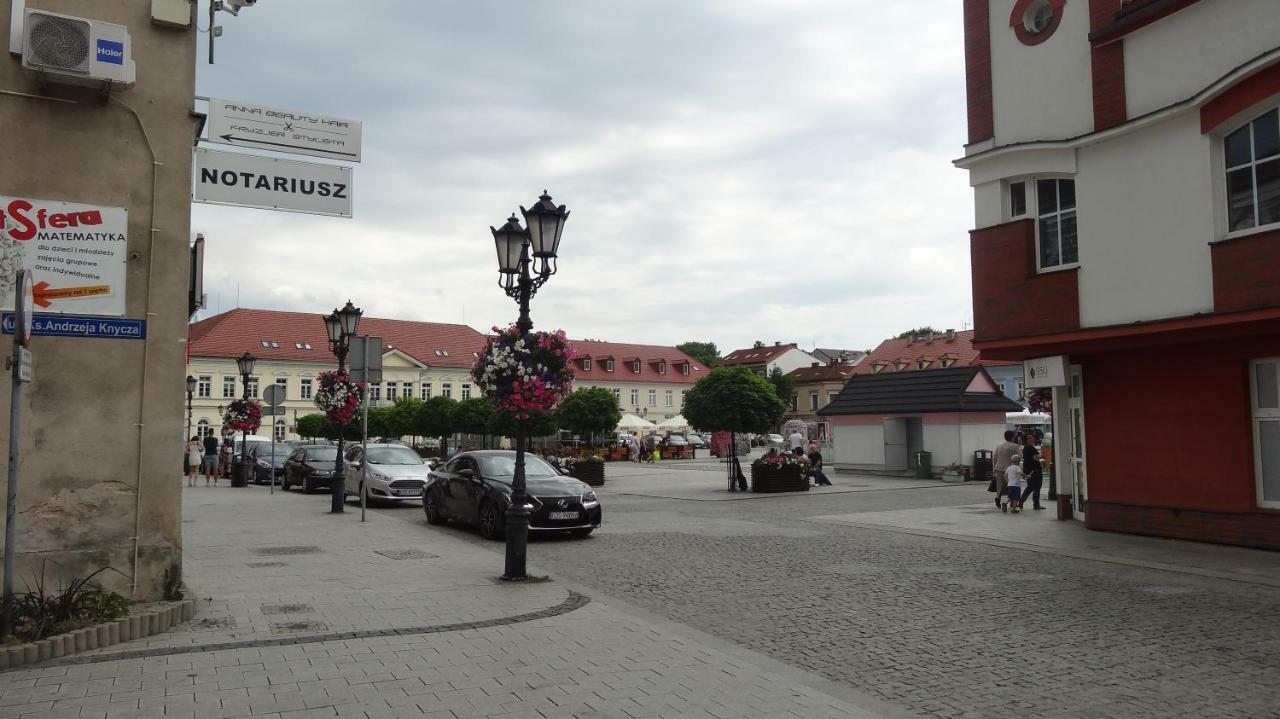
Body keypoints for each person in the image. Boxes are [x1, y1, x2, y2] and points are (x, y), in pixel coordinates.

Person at [993, 430, 1020, 510]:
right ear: (1013, 437)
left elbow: (995, 457)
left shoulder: (999, 445)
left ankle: (998, 497)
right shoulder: (1015, 446)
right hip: (1010, 469)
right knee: (1011, 485)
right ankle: (1011, 503)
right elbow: (1019, 456)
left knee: (999, 485)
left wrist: (995, 467)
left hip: (999, 468)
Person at [1020, 433, 1045, 510]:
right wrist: (1042, 449)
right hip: (1035, 470)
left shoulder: (1025, 448)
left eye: (1032, 437)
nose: (1032, 438)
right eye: (1030, 438)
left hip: (1029, 470)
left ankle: (1034, 504)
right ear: (1026, 440)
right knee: (1034, 487)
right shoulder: (1030, 447)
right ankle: (1023, 502)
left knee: (1031, 487)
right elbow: (1038, 457)